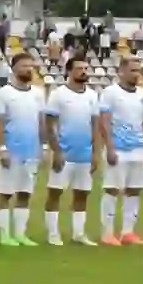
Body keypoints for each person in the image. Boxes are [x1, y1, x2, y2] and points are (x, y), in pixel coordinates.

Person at [42, 55, 101, 247]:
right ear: (69, 71)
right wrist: (56, 151)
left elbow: (95, 126)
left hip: (84, 153)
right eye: (79, 68)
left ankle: (78, 233)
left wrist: (95, 153)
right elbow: (49, 126)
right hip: (64, 153)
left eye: (86, 68)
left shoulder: (92, 95)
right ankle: (53, 233)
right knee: (55, 192)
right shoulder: (58, 94)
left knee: (82, 194)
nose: (84, 71)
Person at [0, 52, 46, 248]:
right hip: (11, 151)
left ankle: (21, 233)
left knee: (25, 193)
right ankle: (5, 234)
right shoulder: (4, 93)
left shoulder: (38, 94)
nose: (28, 69)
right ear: (14, 69)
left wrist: (43, 147)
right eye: (24, 66)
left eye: (31, 66)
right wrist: (2, 148)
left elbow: (41, 123)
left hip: (31, 152)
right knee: (5, 193)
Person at [96, 55, 143, 246]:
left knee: (134, 190)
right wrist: (109, 147)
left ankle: (128, 232)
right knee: (112, 190)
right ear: (121, 71)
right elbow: (103, 121)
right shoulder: (110, 93)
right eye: (133, 70)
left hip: (138, 149)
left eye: (138, 70)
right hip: (118, 148)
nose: (136, 74)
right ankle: (107, 233)